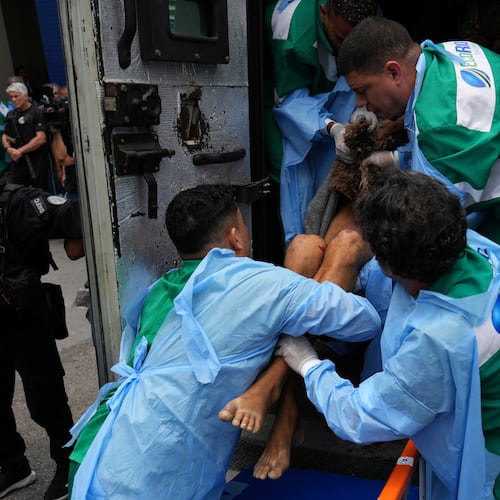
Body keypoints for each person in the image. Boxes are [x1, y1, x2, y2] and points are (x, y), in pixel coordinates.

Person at [66, 183, 382, 499]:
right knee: (310, 251)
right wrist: (345, 258)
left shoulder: (160, 290)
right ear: (236, 237)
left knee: (304, 249)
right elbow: (364, 322)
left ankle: (283, 411)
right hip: (149, 480)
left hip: (95, 453)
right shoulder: (263, 284)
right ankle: (283, 410)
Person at [277, 167, 500, 499]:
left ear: (387, 264)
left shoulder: (438, 340)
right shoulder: (482, 252)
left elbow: (358, 416)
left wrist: (308, 364)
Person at [336, 16, 500, 243]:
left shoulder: (437, 129)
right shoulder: (450, 50)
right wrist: (401, 159)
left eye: (363, 90)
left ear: (394, 72)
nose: (359, 104)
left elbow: (434, 231)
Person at [263, 0, 379, 250]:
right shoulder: (293, 32)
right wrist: (331, 127)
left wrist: (364, 105)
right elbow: (290, 101)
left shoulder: (368, 12)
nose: (347, 49)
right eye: (341, 39)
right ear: (324, 11)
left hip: (340, 94)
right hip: (291, 103)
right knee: (298, 184)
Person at [0, 180, 84, 499]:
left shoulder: (20, 200)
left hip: (24, 313)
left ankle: (68, 465)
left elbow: (71, 213)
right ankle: (13, 466)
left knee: (45, 396)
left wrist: (78, 248)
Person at [1, 82, 51, 189]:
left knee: (39, 192)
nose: (13, 100)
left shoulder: (36, 113)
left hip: (36, 163)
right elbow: (5, 135)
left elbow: (41, 138)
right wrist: (9, 149)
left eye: (16, 96)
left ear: (25, 96)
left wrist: (20, 151)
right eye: (11, 97)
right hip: (18, 163)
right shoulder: (11, 115)